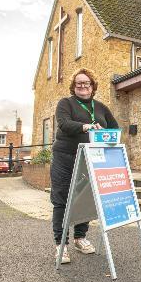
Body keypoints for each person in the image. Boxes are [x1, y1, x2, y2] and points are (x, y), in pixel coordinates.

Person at [51, 68, 118, 263]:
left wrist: (103, 132)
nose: (82, 86)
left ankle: (80, 237)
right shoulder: (66, 103)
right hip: (65, 157)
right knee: (61, 199)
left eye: (86, 83)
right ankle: (60, 245)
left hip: (90, 158)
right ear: (73, 86)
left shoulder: (101, 107)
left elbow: (114, 129)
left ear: (92, 86)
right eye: (78, 83)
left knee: (84, 198)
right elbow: (64, 124)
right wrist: (87, 126)